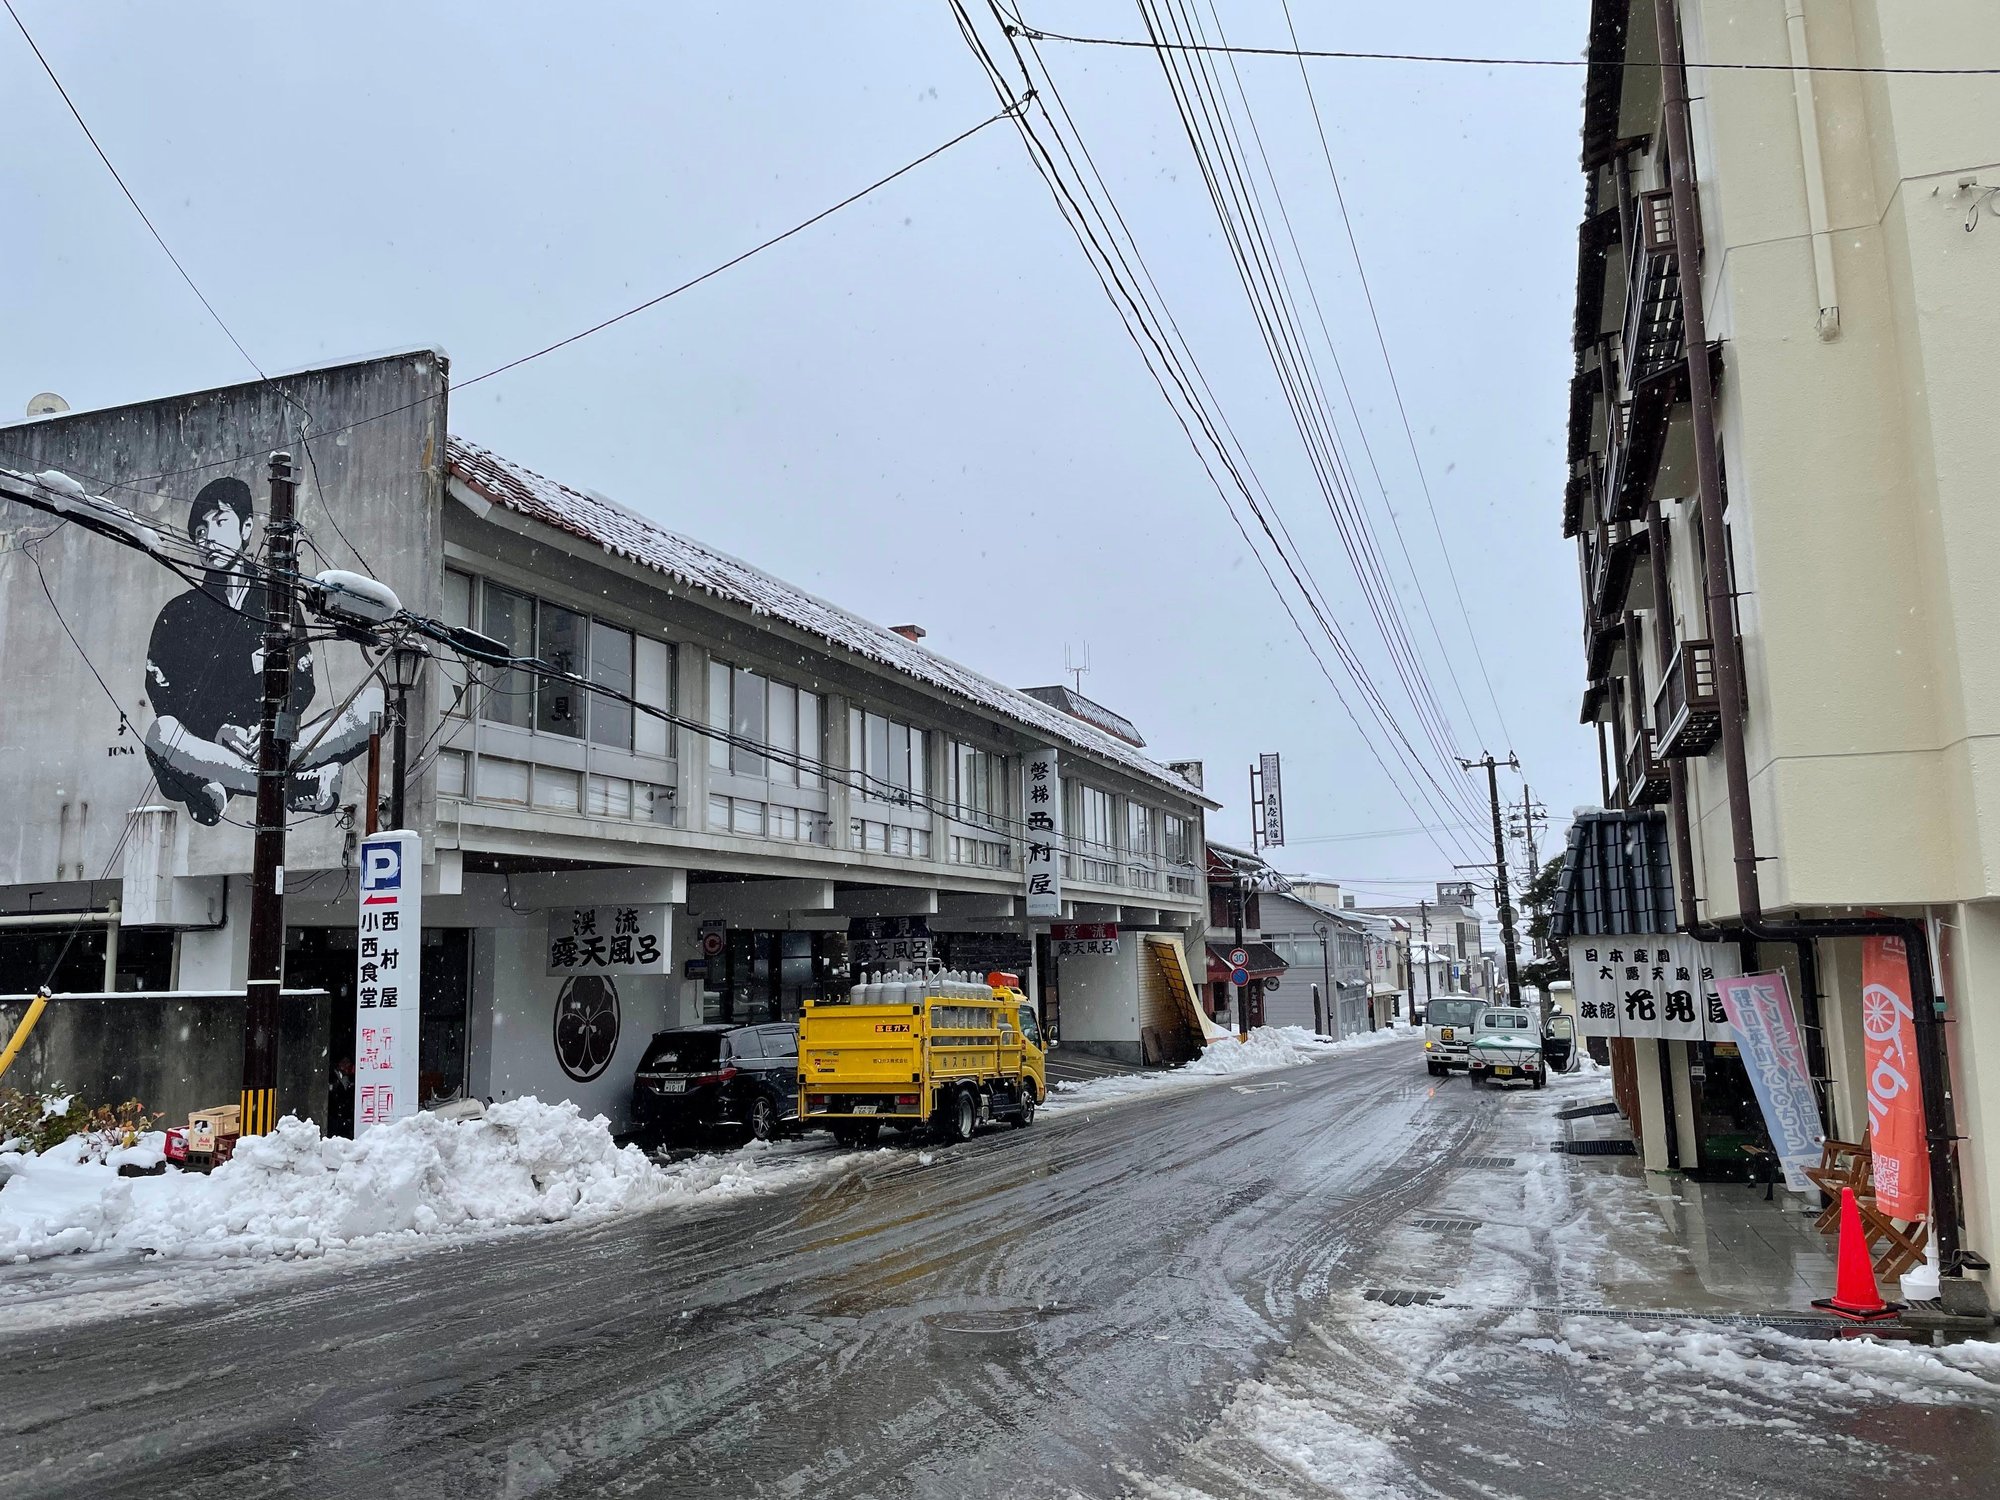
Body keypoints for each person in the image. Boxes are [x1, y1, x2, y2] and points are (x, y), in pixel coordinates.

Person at [142, 475, 378, 826]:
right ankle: (293, 787)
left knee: (372, 706)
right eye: (201, 532)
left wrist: (270, 729)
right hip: (207, 747)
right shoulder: (178, 614)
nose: (209, 539)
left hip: (278, 743)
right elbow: (164, 696)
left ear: (246, 529)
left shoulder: (278, 600)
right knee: (162, 735)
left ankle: (224, 786)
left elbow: (302, 681)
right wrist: (220, 730)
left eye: (220, 522)